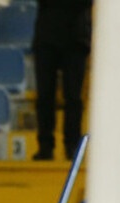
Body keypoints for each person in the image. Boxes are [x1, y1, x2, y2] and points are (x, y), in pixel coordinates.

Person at [31, 0, 92, 161]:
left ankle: (72, 146)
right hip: (47, 35)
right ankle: (45, 147)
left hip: (76, 38)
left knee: (73, 97)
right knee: (45, 95)